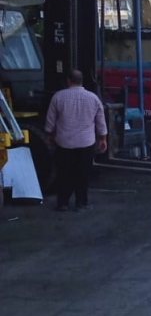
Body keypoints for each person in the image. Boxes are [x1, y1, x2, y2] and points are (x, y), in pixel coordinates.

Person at [45, 69, 107, 211]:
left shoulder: (58, 97)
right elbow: (100, 122)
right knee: (83, 174)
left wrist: (50, 135)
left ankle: (63, 203)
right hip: (86, 143)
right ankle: (81, 203)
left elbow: (50, 122)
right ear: (82, 81)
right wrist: (103, 138)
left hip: (64, 143)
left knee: (64, 174)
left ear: (69, 81)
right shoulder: (93, 98)